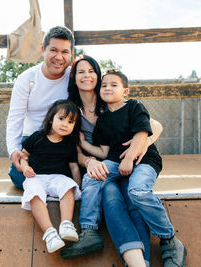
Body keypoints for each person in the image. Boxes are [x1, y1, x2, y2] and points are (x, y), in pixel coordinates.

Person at [61, 56, 162, 266]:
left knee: (132, 197)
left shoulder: (111, 101)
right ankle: (94, 236)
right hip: (103, 165)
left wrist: (138, 148)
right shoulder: (70, 110)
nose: (87, 75)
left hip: (125, 162)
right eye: (81, 71)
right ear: (74, 77)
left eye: (91, 71)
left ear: (98, 76)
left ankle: (143, 260)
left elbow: (155, 126)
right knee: (111, 194)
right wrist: (89, 162)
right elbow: (72, 151)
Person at [80, 69, 187, 267]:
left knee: (137, 191)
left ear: (125, 91)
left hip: (144, 160)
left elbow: (142, 134)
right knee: (92, 177)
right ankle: (88, 230)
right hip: (115, 161)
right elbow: (103, 152)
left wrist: (129, 157)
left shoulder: (134, 106)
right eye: (104, 85)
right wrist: (86, 147)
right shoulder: (103, 119)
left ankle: (169, 238)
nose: (108, 88)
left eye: (114, 85)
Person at [6, 25, 74, 189]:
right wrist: (14, 150)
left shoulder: (74, 77)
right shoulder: (27, 79)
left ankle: (50, 183)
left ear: (71, 54)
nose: (59, 57)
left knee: (81, 174)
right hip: (33, 141)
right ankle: (52, 184)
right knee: (18, 176)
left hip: (64, 140)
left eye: (65, 52)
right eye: (53, 50)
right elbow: (15, 118)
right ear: (43, 49)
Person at [20, 99, 82, 253]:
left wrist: (78, 187)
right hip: (36, 177)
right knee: (34, 194)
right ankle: (49, 234)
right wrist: (25, 167)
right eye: (61, 119)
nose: (65, 124)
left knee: (68, 186)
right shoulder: (37, 137)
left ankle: (66, 224)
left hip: (57, 178)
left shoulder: (69, 144)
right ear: (50, 119)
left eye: (70, 121)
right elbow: (23, 156)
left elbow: (74, 167)